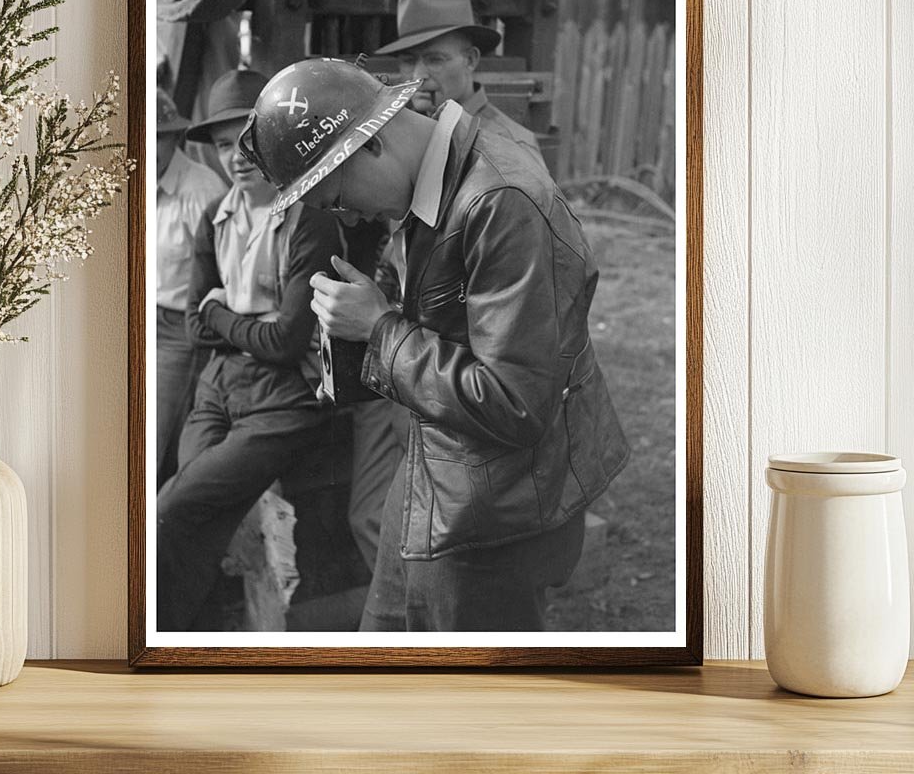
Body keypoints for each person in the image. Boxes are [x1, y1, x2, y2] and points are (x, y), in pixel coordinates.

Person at [238, 57, 630, 632]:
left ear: (369, 144)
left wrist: (378, 329)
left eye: (337, 197)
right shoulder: (437, 176)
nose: (349, 215)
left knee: (469, 707)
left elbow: (515, 401)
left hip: (501, 512)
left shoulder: (502, 202)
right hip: (440, 471)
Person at [156, 69, 341, 632]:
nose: (234, 156)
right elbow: (194, 327)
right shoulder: (217, 218)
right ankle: (186, 632)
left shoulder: (311, 218)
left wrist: (221, 313)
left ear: (274, 137)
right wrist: (240, 321)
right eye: (219, 144)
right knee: (196, 518)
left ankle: (166, 629)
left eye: (247, 139)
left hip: (285, 401)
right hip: (219, 389)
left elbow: (286, 344)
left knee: (170, 508)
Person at [377, 0, 547, 170]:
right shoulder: (398, 138)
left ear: (470, 60)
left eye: (435, 60)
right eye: (408, 61)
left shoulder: (509, 146)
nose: (418, 75)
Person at [155, 86, 226, 487]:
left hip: (177, 328)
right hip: (134, 319)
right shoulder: (132, 181)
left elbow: (221, 271)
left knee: (154, 433)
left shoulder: (201, 189)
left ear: (174, 138)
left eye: (158, 140)